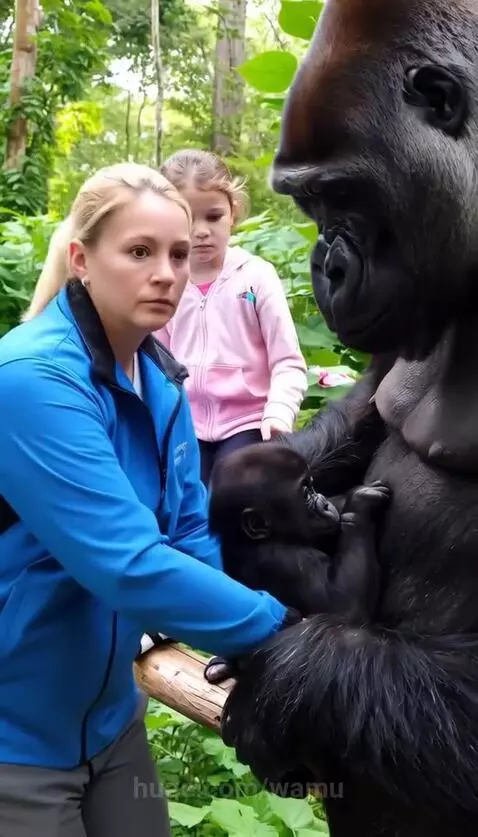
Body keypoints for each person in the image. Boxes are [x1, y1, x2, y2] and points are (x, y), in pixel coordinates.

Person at [0, 162, 301, 837]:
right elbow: (129, 563)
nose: (166, 271)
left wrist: (273, 624)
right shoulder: (31, 380)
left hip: (110, 722)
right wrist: (291, 635)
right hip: (14, 739)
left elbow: (190, 538)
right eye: (139, 252)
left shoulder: (160, 381)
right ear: (82, 258)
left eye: (176, 251)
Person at [156, 149, 308, 486]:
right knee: (182, 500)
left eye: (213, 217)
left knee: (233, 495)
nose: (201, 232)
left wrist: (279, 411)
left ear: (233, 214)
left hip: (250, 422)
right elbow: (158, 368)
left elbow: (288, 362)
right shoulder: (165, 282)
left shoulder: (255, 276)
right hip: (187, 424)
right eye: (188, 218)